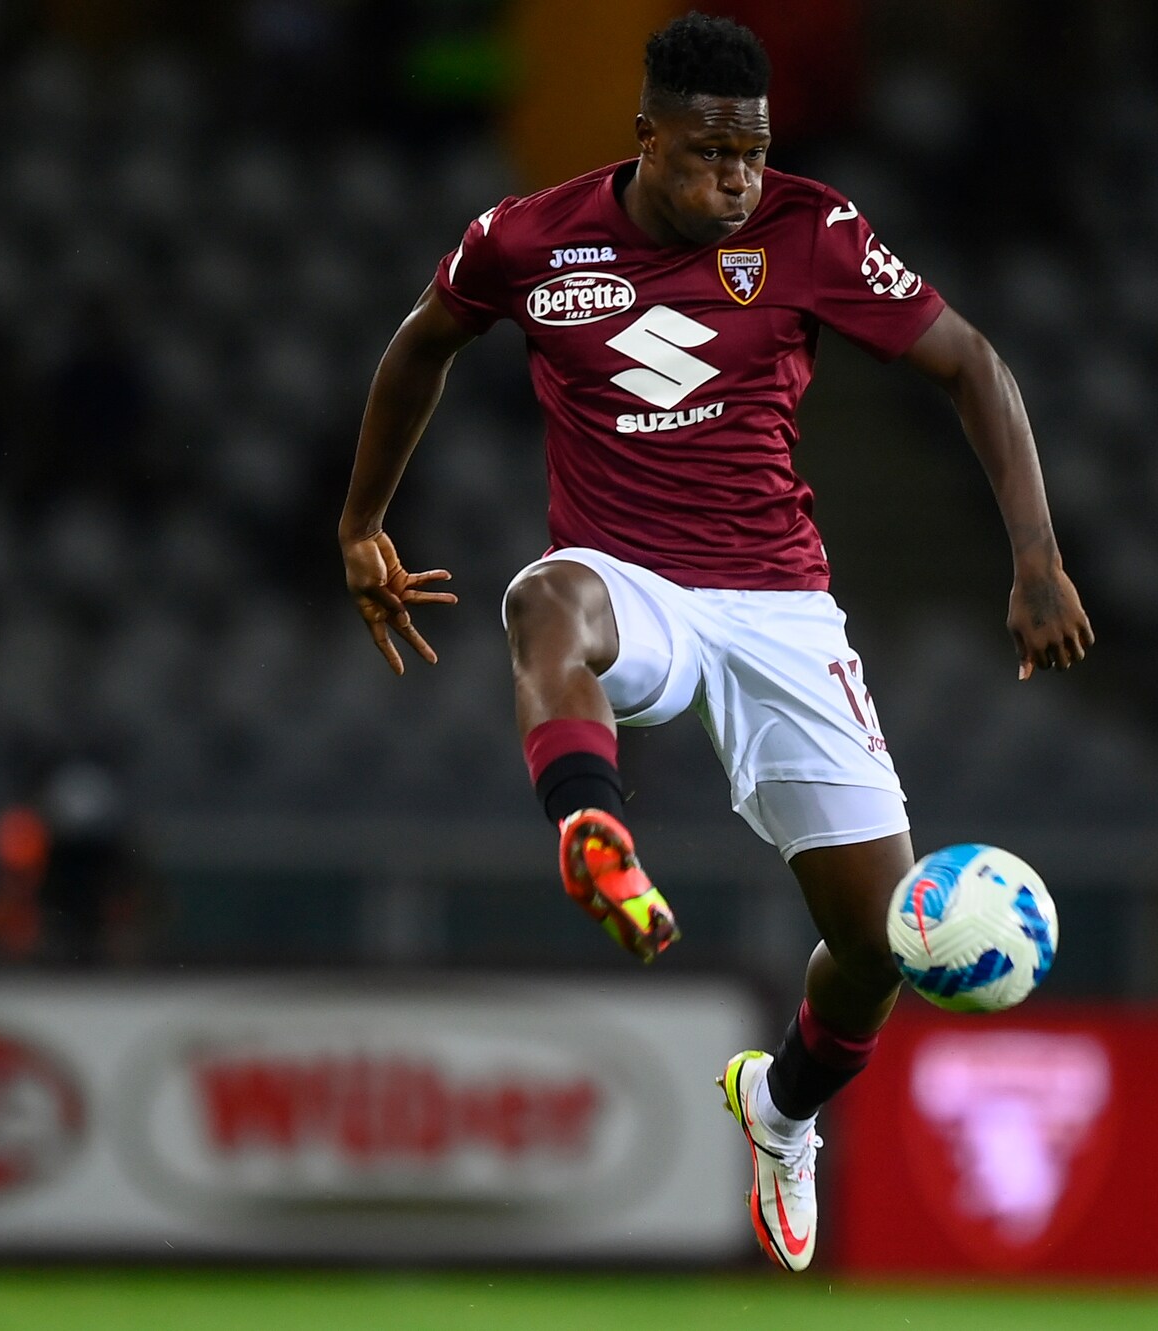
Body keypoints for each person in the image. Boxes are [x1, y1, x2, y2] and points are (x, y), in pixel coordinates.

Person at [337, 12, 1091, 1271]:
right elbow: (421, 343)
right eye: (708, 153)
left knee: (877, 942)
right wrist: (363, 520)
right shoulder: (526, 237)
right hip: (626, 579)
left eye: (752, 152)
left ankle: (779, 1107)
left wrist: (1034, 555)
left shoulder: (812, 229)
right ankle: (593, 830)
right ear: (646, 135)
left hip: (778, 605)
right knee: (543, 603)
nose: (736, 178)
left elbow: (968, 360)